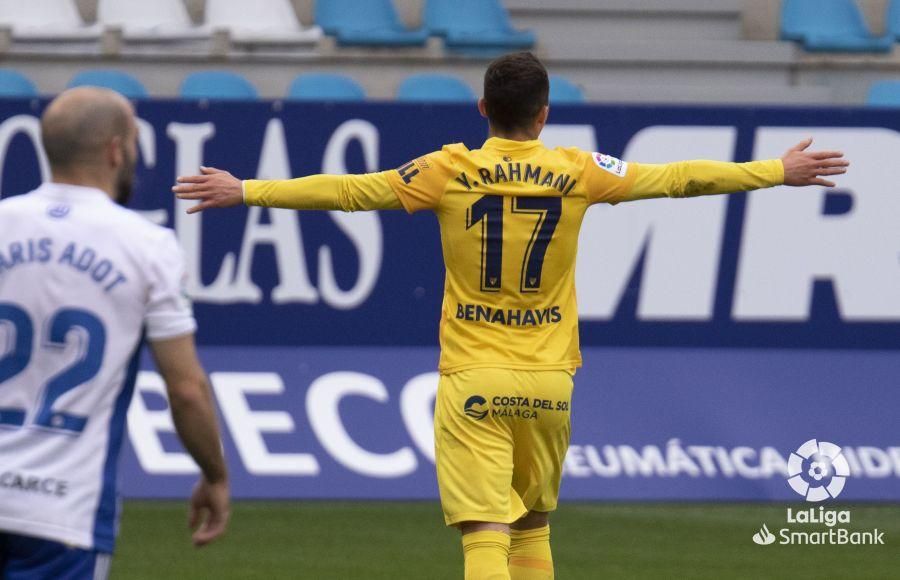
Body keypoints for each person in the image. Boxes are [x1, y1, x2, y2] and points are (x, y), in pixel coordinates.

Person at [172, 53, 847, 579]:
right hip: (550, 381)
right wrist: (773, 170)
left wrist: (248, 189)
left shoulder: (448, 169)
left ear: (483, 108)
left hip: (472, 380)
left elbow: (353, 191)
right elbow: (677, 179)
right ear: (544, 114)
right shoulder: (578, 170)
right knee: (532, 527)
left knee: (484, 534)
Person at [0, 87, 229, 579]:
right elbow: (187, 389)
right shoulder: (147, 246)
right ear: (115, 150)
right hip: (63, 513)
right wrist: (215, 475)